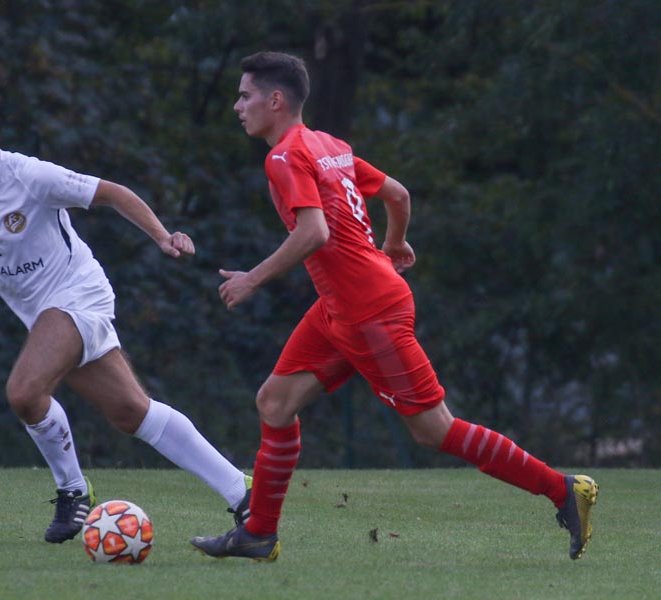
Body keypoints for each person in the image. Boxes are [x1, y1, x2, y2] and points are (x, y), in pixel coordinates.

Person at [190, 51, 598, 562]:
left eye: (245, 95)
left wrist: (253, 278)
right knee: (274, 402)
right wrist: (394, 243)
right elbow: (398, 195)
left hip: (369, 314)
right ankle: (257, 533)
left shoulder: (284, 157)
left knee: (434, 429)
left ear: (275, 101)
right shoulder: (329, 145)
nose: (237, 106)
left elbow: (314, 232)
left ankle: (563, 489)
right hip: (342, 307)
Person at [0, 98, 250, 544]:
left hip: (78, 295)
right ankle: (242, 491)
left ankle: (73, 490)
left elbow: (113, 193)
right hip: (42, 313)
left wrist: (162, 237)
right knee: (130, 412)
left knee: (24, 391)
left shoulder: (31, 175)